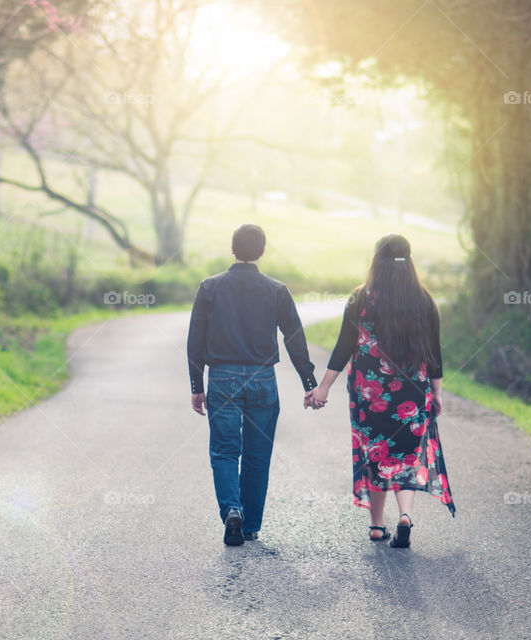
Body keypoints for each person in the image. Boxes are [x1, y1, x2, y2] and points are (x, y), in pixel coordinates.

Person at [308, 233, 455, 548]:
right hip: (413, 394)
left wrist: (323, 387)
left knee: (375, 453)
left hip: (370, 395)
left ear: (377, 261)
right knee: (408, 454)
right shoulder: (424, 299)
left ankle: (377, 526)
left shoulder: (361, 297)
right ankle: (404, 516)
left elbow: (343, 347)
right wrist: (438, 392)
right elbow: (434, 352)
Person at [187, 224, 318, 546]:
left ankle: (232, 509)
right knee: (258, 455)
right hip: (262, 380)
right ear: (262, 252)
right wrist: (309, 381)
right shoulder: (276, 290)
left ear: (232, 250)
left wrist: (196, 385)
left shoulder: (210, 287)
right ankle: (250, 526)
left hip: (222, 378)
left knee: (224, 451)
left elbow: (195, 341)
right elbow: (294, 338)